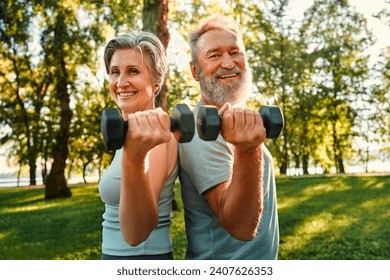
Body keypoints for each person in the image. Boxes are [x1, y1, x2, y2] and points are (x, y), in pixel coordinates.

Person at [178, 15, 279, 260]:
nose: (228, 63)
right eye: (214, 55)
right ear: (195, 70)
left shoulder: (236, 122)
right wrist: (248, 149)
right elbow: (241, 227)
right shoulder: (200, 130)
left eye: (235, 52)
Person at [98, 31, 178, 260]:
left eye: (133, 71)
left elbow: (136, 233)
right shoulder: (131, 133)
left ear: (155, 83)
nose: (121, 82)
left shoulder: (157, 138)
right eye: (115, 72)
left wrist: (135, 157)